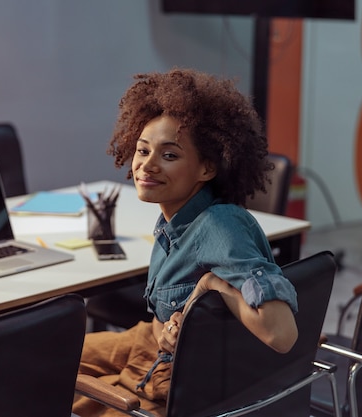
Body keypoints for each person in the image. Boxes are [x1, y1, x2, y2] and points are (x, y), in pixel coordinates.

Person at [73, 68, 298, 416]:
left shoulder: (219, 227)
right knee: (38, 354)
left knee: (36, 378)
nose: (147, 166)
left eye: (169, 155)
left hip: (168, 375)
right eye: (142, 150)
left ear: (207, 168)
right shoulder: (177, 218)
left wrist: (213, 286)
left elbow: (281, 333)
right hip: (147, 339)